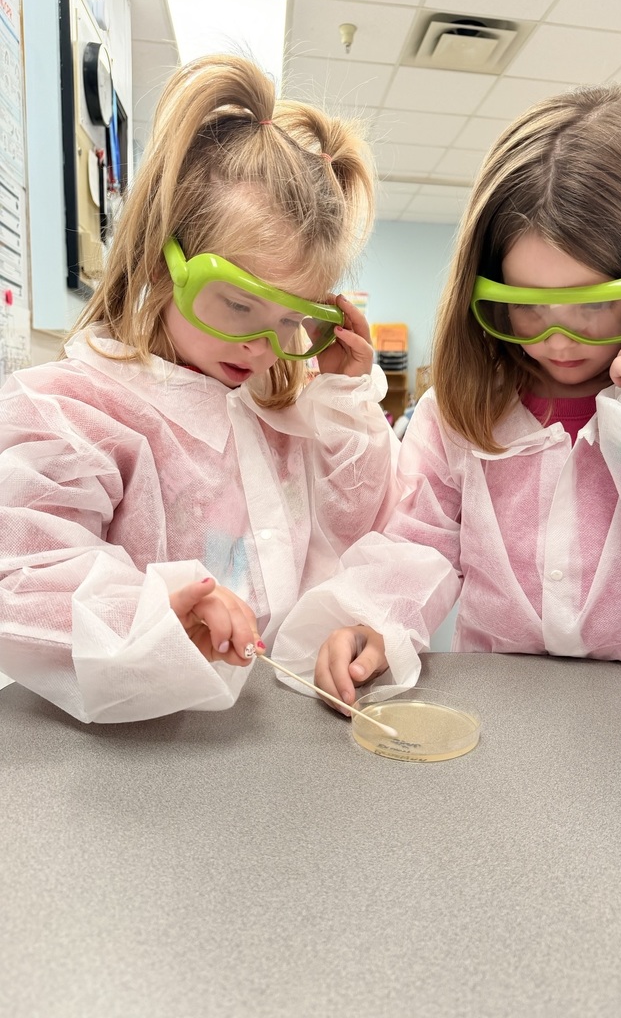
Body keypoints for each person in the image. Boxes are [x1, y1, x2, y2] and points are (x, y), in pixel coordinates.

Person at [271, 79, 621, 710]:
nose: (557, 340)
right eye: (524, 307)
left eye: (597, 305)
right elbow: (419, 539)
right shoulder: (467, 406)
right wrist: (375, 619)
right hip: (512, 715)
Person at [0, 55, 401, 722]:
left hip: (269, 732)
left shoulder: (279, 403)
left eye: (293, 319)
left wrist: (346, 401)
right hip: (140, 754)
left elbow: (357, 529)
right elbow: (24, 575)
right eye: (239, 306)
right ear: (162, 262)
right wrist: (163, 606)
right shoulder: (77, 410)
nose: (261, 346)